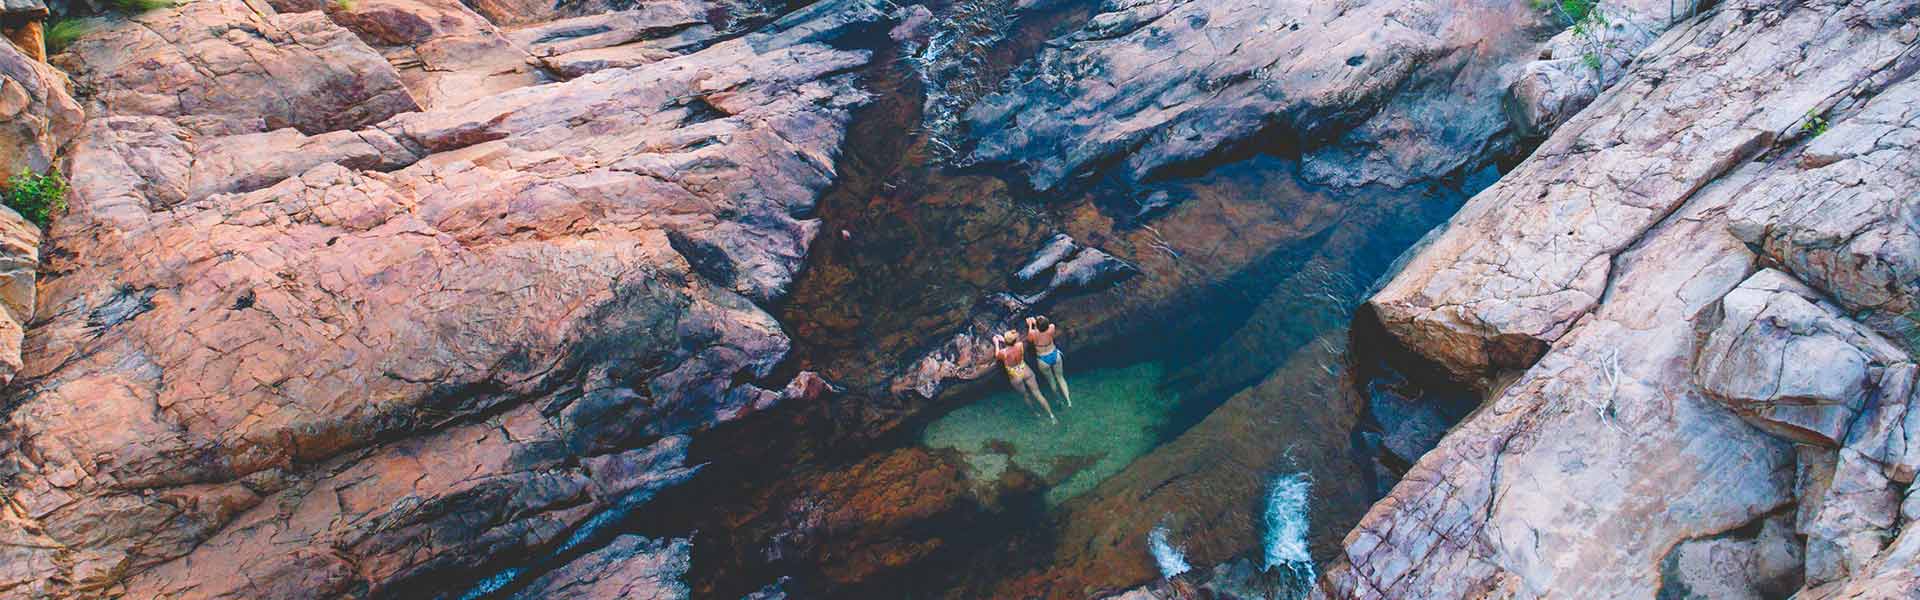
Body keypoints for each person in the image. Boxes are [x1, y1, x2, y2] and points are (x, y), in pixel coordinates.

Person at [995, 330, 1055, 424]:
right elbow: (1014, 342)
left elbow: (997, 355)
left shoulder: (1003, 353)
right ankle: (1051, 415)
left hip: (1015, 375)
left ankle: (1036, 413)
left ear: (1006, 341)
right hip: (1025, 370)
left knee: (1025, 395)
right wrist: (1006, 340)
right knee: (1037, 393)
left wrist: (996, 343)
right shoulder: (1020, 345)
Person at [1026, 315, 1070, 408]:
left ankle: (1059, 399)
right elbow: (1045, 326)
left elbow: (1030, 339)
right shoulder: (1051, 328)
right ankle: (1068, 400)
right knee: (1060, 377)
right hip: (1054, 354)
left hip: (1043, 359)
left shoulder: (1033, 333)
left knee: (1051, 380)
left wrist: (1031, 324)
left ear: (1037, 326)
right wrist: (1037, 323)